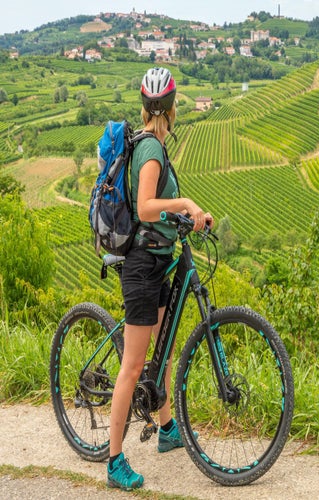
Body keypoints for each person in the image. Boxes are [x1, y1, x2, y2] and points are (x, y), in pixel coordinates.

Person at [107, 67, 213, 491]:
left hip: (161, 257)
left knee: (162, 350)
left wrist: (193, 218)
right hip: (142, 265)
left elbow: (159, 211)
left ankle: (167, 429)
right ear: (171, 107)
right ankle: (114, 462)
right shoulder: (151, 148)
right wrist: (187, 202)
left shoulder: (153, 145)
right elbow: (147, 206)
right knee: (133, 365)